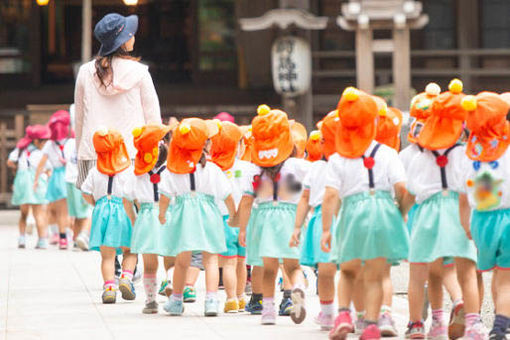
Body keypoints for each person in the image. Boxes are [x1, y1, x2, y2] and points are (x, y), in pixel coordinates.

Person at [321, 88, 409, 340]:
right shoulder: (388, 153)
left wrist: (327, 228)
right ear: (373, 123)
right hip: (382, 211)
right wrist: (400, 214)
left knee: (348, 271)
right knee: (374, 274)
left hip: (351, 214)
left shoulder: (337, 159)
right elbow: (402, 189)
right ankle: (371, 325)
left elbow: (330, 196)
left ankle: (343, 315)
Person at [405, 79, 484, 339]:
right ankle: (473, 324)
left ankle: (423, 323)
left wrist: (401, 213)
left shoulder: (419, 158)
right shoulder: (466, 154)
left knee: (422, 272)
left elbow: (410, 193)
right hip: (458, 213)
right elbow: (472, 190)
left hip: (427, 213)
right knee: (467, 272)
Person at [237, 105, 310, 325]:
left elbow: (247, 201)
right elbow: (312, 189)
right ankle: (296, 288)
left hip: (264, 221)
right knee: (293, 267)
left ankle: (268, 312)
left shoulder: (254, 170)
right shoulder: (298, 166)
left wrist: (242, 229)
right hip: (290, 218)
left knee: (268, 269)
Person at [158, 118, 236, 317]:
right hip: (209, 213)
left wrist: (162, 214)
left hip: (183, 216)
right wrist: (233, 214)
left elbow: (165, 196)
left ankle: (176, 300)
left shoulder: (172, 170)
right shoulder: (211, 169)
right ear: (205, 146)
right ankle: (211, 301)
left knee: (182, 260)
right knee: (210, 260)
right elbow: (227, 195)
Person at [74, 13, 161, 189]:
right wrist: (156, 152)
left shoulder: (85, 72)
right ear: (123, 41)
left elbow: (79, 119)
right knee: (131, 211)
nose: (133, 36)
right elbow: (153, 119)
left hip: (94, 153)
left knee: (100, 210)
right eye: (130, 33)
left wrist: (80, 152)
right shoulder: (140, 72)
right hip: (132, 153)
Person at [459, 92, 510, 340]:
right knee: (506, 277)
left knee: (485, 272)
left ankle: (476, 319)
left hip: (480, 221)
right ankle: (500, 325)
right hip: (509, 218)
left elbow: (462, 198)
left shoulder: (468, 156)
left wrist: (466, 227)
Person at [290, 120, 339, 331]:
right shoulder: (354, 163)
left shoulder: (316, 167)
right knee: (353, 270)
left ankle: (328, 314)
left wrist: (297, 227)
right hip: (348, 215)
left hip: (321, 218)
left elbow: (304, 199)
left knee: (325, 270)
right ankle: (356, 312)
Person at [81, 128, 137, 304]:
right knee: (131, 250)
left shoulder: (94, 171)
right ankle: (126, 278)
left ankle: (109, 288)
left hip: (101, 210)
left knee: (107, 256)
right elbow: (134, 194)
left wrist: (96, 203)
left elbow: (85, 192)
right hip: (123, 209)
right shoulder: (129, 170)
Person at [210, 120, 258, 313]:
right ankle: (240, 297)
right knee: (242, 261)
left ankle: (230, 298)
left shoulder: (212, 168)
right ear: (237, 147)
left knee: (228, 262)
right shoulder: (247, 167)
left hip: (224, 219)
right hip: (245, 220)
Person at [124, 124, 172, 314]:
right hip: (167, 214)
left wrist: (134, 219)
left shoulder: (136, 174)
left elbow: (126, 199)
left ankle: (151, 302)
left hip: (145, 216)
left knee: (149, 264)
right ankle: (171, 286)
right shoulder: (171, 170)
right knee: (171, 258)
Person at [34, 110, 72, 249]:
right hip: (68, 176)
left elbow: (41, 164)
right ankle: (65, 237)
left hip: (55, 178)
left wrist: (36, 180)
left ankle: (60, 236)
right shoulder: (72, 142)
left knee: (57, 210)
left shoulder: (49, 145)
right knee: (67, 212)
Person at [9, 126, 51, 249]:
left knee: (23, 213)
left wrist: (17, 169)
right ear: (36, 141)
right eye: (44, 141)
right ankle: (42, 240)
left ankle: (22, 239)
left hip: (22, 183)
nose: (45, 143)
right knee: (39, 213)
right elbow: (48, 169)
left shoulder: (20, 150)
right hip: (36, 183)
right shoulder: (41, 153)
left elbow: (10, 162)